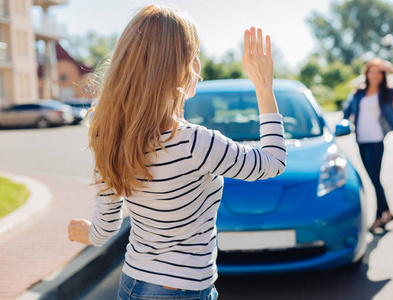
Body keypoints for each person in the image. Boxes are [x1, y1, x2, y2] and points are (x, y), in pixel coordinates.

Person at [67, 5, 286, 300]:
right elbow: (273, 162)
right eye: (193, 54)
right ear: (183, 67)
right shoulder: (196, 143)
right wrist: (263, 87)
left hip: (132, 284)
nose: (197, 63)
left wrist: (89, 233)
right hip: (182, 291)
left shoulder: (111, 137)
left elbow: (107, 226)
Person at [343, 58, 393, 232]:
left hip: (376, 141)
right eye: (371, 72)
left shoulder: (386, 92)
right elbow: (347, 112)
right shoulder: (359, 92)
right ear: (367, 74)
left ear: (382, 75)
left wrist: (389, 66)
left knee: (375, 179)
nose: (375, 76)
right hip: (361, 140)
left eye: (379, 73)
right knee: (373, 179)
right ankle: (387, 212)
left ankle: (379, 217)